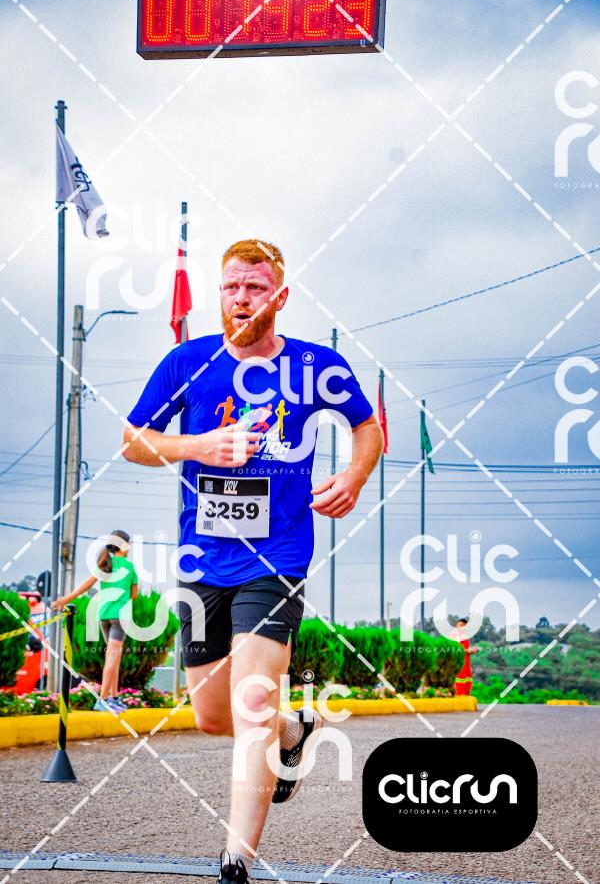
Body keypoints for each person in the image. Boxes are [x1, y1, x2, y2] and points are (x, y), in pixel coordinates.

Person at [122, 239, 383, 884]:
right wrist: (199, 446)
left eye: (255, 288)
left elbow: (367, 426)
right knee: (214, 716)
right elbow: (133, 441)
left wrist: (354, 476)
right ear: (221, 293)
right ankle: (293, 733)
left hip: (278, 554)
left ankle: (236, 861)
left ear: (280, 297)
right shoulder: (187, 362)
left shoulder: (316, 366)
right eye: (232, 287)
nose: (241, 299)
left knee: (255, 701)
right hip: (203, 557)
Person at [52, 529, 138, 714]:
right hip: (120, 617)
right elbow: (134, 595)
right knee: (113, 659)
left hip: (104, 616)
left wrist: (64, 600)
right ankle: (103, 700)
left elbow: (87, 585)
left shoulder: (105, 563)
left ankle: (114, 697)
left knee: (114, 659)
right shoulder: (129, 567)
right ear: (123, 545)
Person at [454, 617, 480, 696]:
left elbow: (465, 650)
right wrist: (468, 651)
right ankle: (459, 697)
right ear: (457, 626)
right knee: (460, 681)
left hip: (466, 664)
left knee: (468, 681)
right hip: (459, 663)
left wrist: (473, 650)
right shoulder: (456, 636)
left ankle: (466, 696)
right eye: (461, 625)